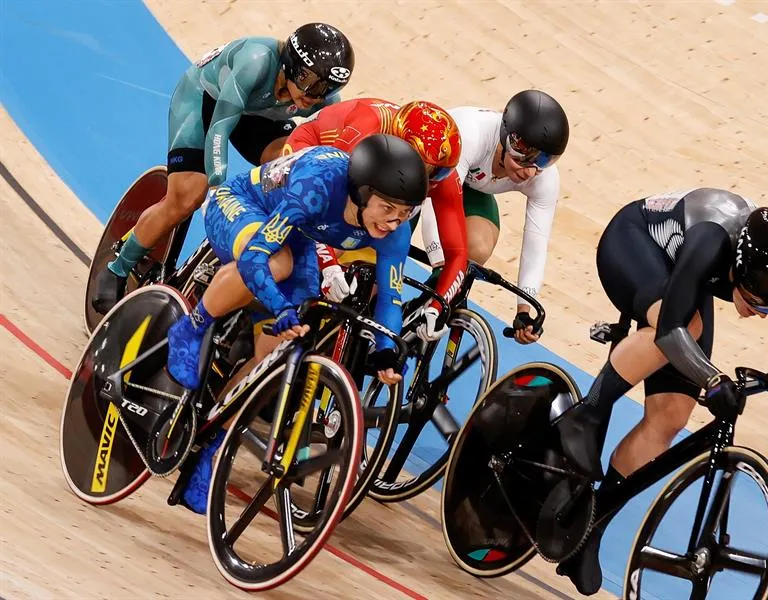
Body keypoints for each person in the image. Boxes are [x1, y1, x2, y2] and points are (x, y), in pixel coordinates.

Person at [554, 188, 768, 595]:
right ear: (740, 270)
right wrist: (712, 380)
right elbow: (670, 330)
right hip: (635, 242)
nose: (762, 315)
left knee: (670, 417)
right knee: (686, 323)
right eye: (757, 303)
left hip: (683, 276)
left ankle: (590, 528)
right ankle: (588, 414)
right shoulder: (712, 237)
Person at [165, 134, 427, 514]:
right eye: (387, 208)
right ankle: (191, 327)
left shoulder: (394, 230)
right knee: (277, 265)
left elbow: (391, 298)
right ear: (361, 192)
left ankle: (211, 446)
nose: (394, 221)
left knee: (273, 357)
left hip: (298, 238)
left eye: (404, 213)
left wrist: (387, 353)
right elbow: (256, 257)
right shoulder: (319, 182)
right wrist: (277, 305)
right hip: (240, 205)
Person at [91, 23, 355, 314]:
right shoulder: (256, 61)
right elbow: (220, 127)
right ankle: (117, 267)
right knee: (189, 194)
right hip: (207, 101)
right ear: (292, 64)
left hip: (259, 117)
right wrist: (217, 189)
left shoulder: (325, 101)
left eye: (328, 87)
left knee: (291, 163)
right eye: (313, 83)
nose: (317, 95)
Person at [282, 97, 467, 342]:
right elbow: (320, 203)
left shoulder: (441, 178)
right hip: (313, 152)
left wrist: (438, 305)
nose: (428, 179)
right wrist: (328, 265)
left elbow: (458, 253)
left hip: (372, 185)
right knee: (298, 240)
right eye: (423, 168)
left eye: (437, 172)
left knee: (371, 274)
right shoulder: (367, 128)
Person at [416, 89, 570, 344]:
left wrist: (524, 308)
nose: (531, 170)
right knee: (392, 231)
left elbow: (537, 241)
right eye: (524, 154)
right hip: (428, 173)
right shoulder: (472, 135)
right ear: (505, 136)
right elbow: (437, 202)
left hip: (470, 187)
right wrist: (441, 264)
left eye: (544, 161)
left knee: (475, 249)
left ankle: (420, 314)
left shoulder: (543, 178)